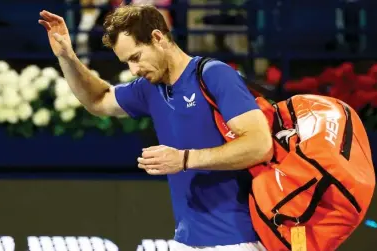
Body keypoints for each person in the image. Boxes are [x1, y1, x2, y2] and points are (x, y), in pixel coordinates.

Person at [39, 3, 273, 251]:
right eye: (126, 62)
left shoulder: (214, 75)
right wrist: (67, 57)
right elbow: (98, 100)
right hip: (187, 241)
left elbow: (260, 145)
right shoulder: (148, 88)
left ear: (157, 37)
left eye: (136, 57)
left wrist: (184, 159)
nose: (133, 70)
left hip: (239, 241)